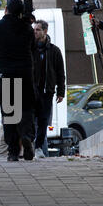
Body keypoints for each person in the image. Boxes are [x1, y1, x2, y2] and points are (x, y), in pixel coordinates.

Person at [0, 0, 36, 161]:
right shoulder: (28, 29)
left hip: (5, 73)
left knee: (9, 113)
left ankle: (13, 151)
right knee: (26, 109)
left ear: (6, 9)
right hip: (25, 73)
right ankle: (26, 135)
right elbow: (33, 48)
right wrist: (25, 20)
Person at [32, 20, 65, 158]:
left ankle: (38, 147)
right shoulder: (30, 49)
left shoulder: (54, 50)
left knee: (43, 120)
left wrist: (61, 92)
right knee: (30, 120)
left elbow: (60, 73)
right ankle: (31, 147)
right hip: (31, 91)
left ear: (45, 31)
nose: (35, 32)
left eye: (38, 30)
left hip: (47, 91)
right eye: (34, 30)